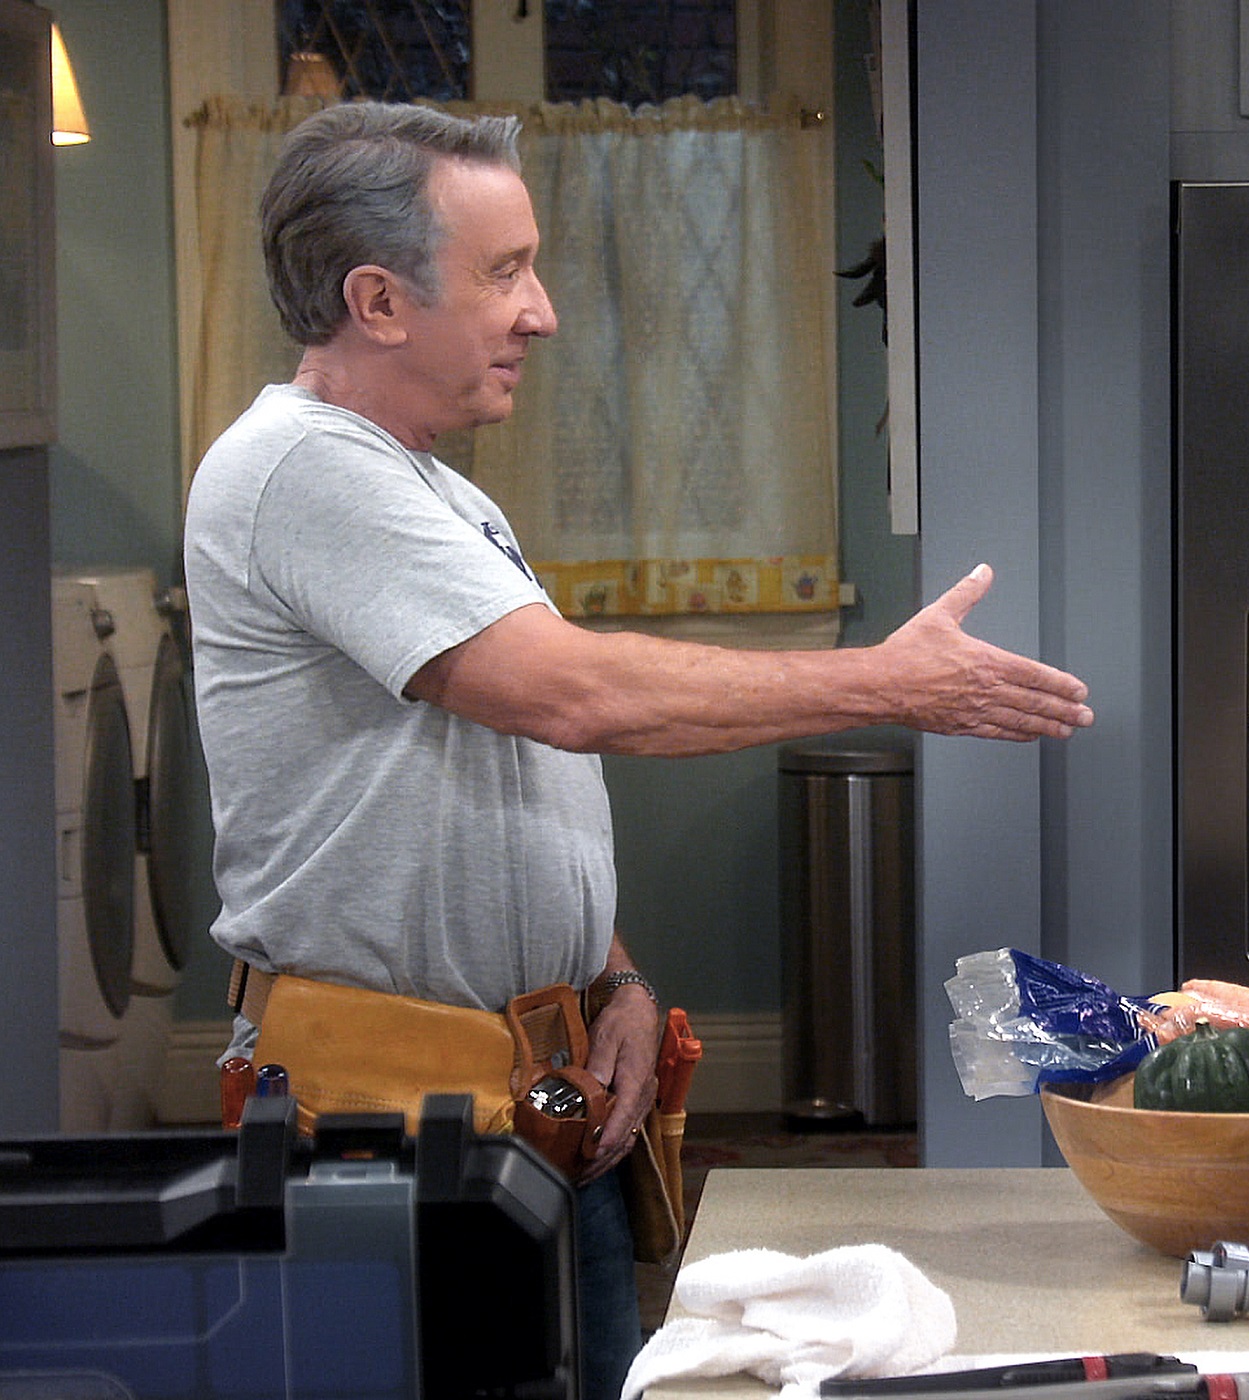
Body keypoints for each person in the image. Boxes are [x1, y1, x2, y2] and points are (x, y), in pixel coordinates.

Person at [183, 102, 1092, 1400]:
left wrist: (611, 978)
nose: (542, 312)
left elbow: (509, 767)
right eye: (505, 272)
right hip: (392, 1130)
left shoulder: (435, 490)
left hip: (539, 1101)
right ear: (377, 300)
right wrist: (886, 681)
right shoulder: (302, 471)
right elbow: (571, 696)